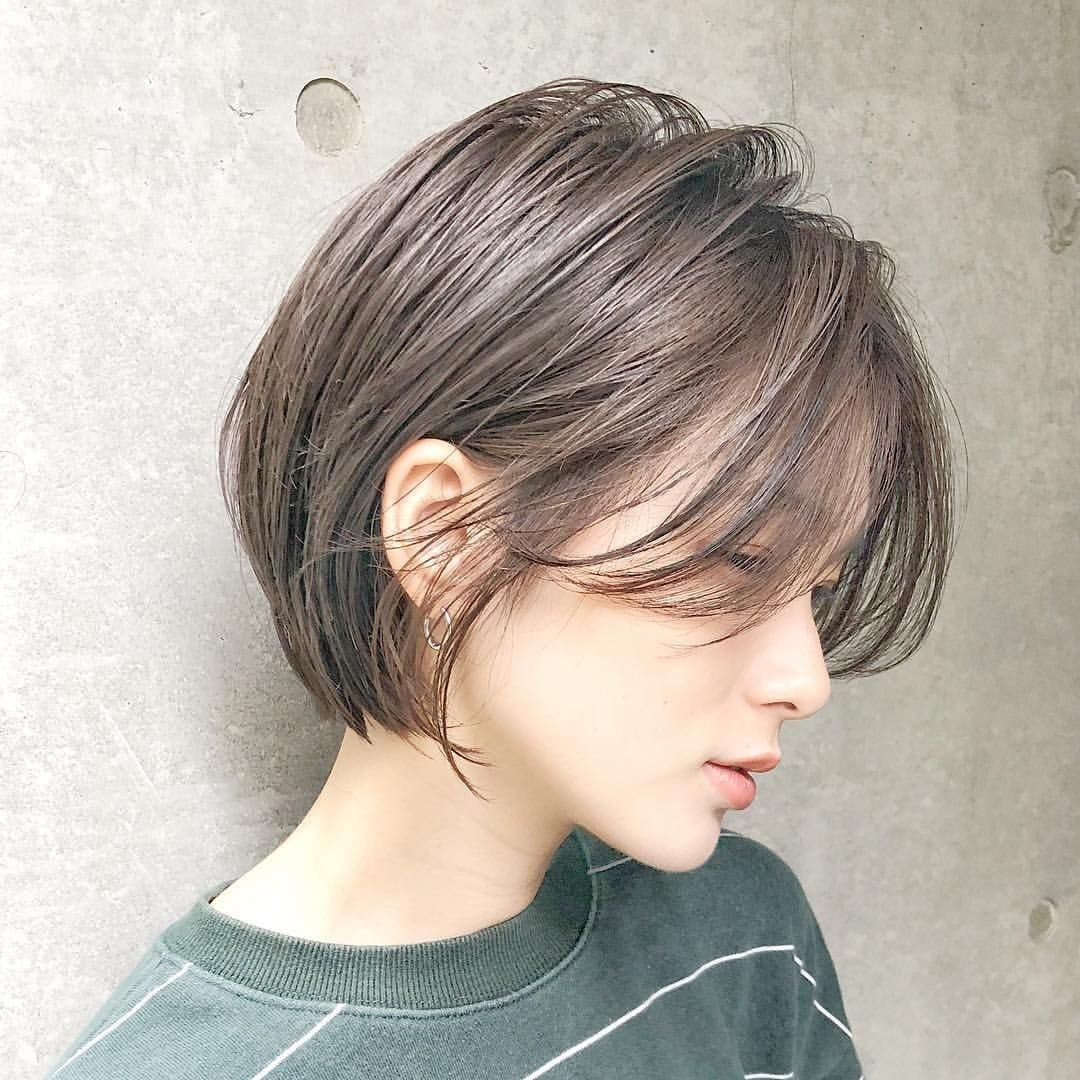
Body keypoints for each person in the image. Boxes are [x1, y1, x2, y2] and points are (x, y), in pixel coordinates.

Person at [48, 76, 956, 1079]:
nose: (806, 679)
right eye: (741, 558)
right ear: (446, 532)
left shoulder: (738, 942)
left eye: (816, 590)